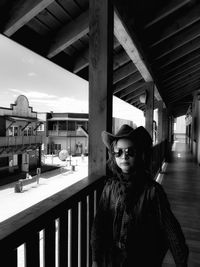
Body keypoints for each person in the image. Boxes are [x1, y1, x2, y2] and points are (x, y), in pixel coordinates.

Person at [91, 124, 189, 267]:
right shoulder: (109, 187)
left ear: (140, 154)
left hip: (143, 259)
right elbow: (99, 225)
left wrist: (181, 261)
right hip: (111, 259)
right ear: (113, 155)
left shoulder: (153, 191)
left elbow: (171, 231)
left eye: (130, 151)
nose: (124, 156)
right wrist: (95, 258)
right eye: (118, 152)